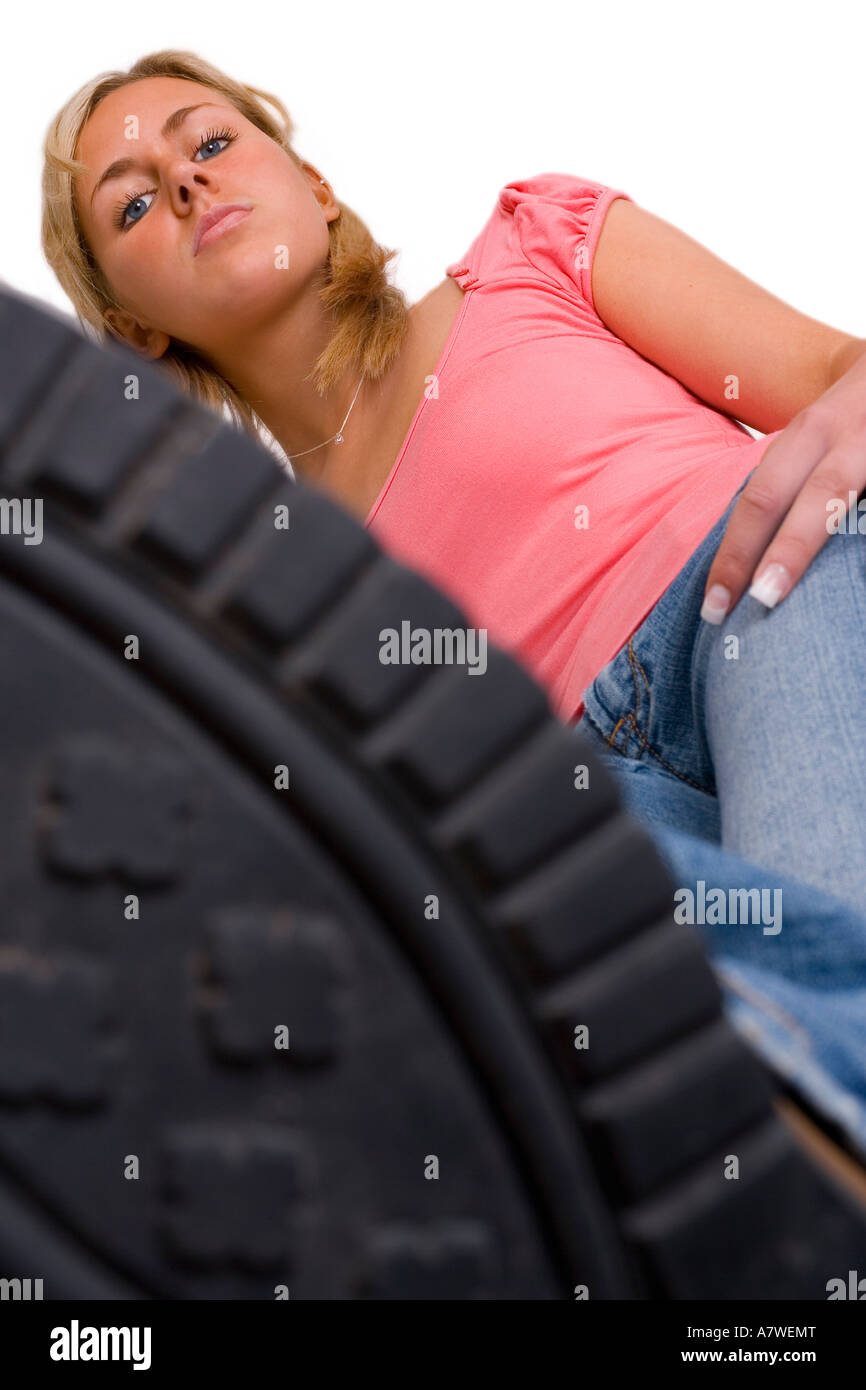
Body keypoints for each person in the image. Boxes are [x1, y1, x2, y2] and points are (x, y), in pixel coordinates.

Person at [41, 48, 866, 1171]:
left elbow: (833, 371)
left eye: (211, 141)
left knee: (814, 976)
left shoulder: (531, 251)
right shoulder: (282, 604)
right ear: (133, 327)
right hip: (575, 795)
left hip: (761, 586)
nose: (185, 182)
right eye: (132, 200)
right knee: (548, 957)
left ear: (313, 187)